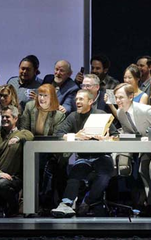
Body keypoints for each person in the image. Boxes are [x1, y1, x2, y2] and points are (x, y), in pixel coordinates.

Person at [51, 90, 118, 218]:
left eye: (81, 99)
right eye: (76, 99)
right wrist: (76, 136)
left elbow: (116, 136)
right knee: (75, 175)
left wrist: (106, 139)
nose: (77, 102)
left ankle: (87, 201)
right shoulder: (73, 116)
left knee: (103, 177)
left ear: (90, 102)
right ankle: (66, 204)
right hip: (83, 157)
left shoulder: (101, 114)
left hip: (102, 156)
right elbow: (59, 134)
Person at [114, 83, 151, 215]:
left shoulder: (145, 110)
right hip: (144, 146)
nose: (118, 101)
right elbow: (128, 131)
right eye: (116, 97)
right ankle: (149, 202)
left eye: (121, 97)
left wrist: (149, 139)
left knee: (150, 167)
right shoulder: (120, 112)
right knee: (139, 168)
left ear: (131, 97)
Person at [0, 106, 34, 217]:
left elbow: (30, 135)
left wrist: (17, 138)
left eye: (7, 117)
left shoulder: (22, 133)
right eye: (3, 117)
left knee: (1, 185)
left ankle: (14, 206)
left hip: (14, 179)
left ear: (15, 118)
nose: (4, 119)